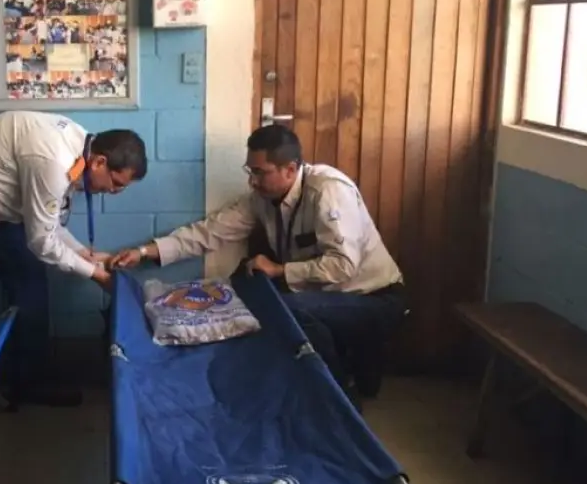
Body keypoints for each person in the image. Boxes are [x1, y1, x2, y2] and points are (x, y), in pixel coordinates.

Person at [111, 124, 406, 403]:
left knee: (287, 309)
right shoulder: (262, 198)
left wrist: (279, 270)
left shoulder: (329, 191)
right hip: (328, 296)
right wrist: (144, 251)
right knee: (247, 285)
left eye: (260, 173)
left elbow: (342, 267)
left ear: (290, 169)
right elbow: (209, 232)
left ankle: (340, 403)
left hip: (372, 298)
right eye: (250, 171)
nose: (252, 181)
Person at [0, 111, 148, 407]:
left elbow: (48, 224)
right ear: (100, 162)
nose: (114, 192)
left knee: (31, 285)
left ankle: (29, 382)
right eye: (116, 184)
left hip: (0, 200)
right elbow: (42, 241)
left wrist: (84, 255)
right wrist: (96, 275)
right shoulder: (54, 162)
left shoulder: (82, 150)